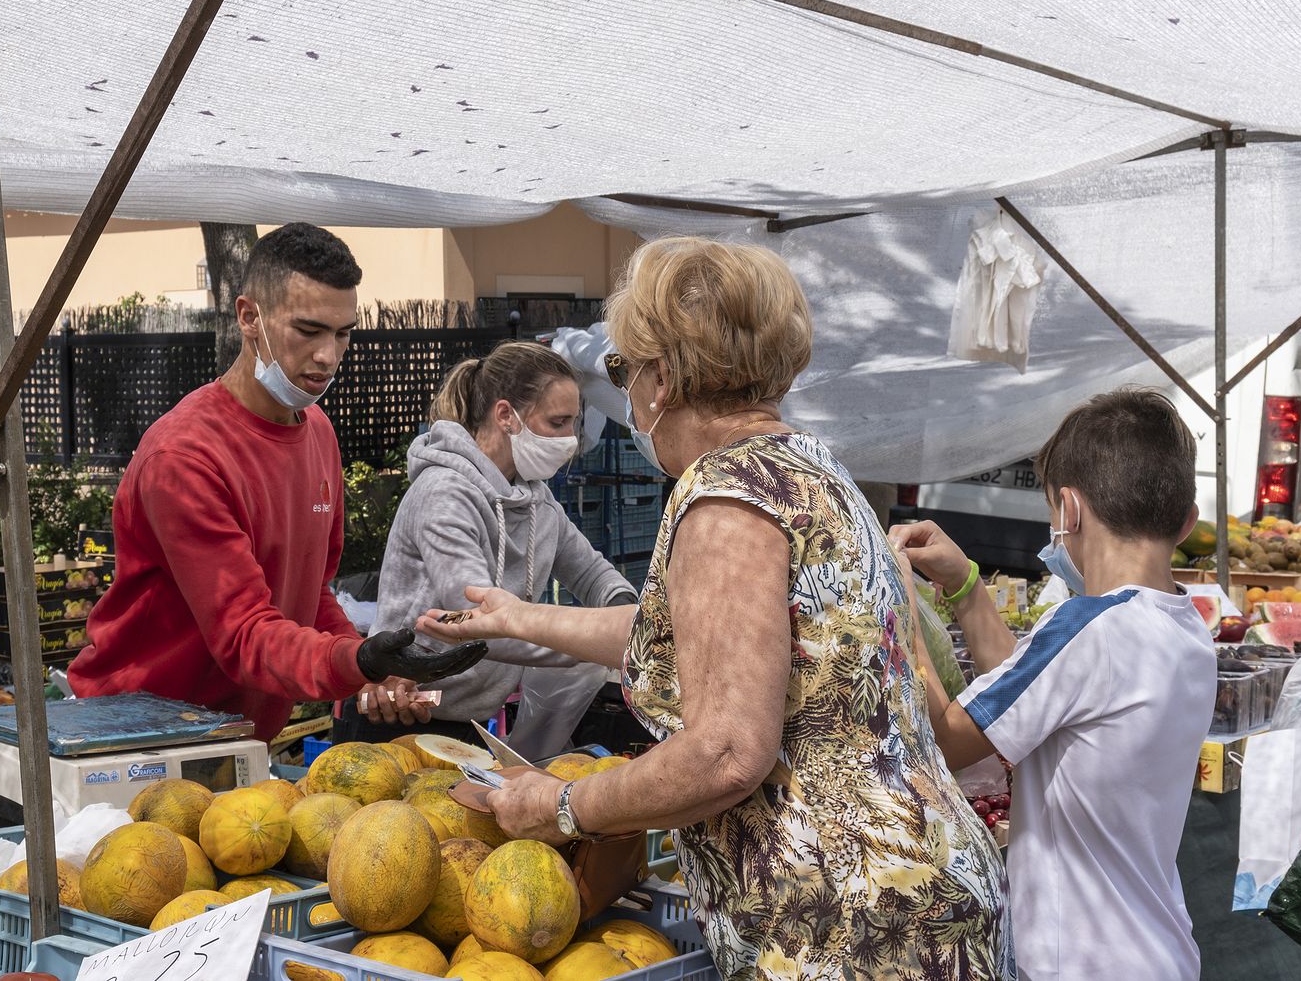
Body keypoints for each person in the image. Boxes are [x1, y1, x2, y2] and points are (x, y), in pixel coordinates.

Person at [421, 237, 1012, 979]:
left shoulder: (726, 499)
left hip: (847, 927)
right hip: (920, 898)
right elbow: (701, 639)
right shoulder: (813, 470)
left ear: (662, 378)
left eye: (622, 371)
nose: (626, 396)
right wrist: (518, 616)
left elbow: (729, 750)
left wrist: (566, 805)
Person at [69, 223, 483, 742]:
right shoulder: (185, 456)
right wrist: (355, 661)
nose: (328, 355)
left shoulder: (319, 432)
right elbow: (243, 633)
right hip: (135, 737)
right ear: (249, 317)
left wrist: (374, 666)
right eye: (308, 331)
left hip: (234, 738)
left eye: (343, 332)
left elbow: (310, 599)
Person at [891, 387, 1216, 981]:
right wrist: (966, 587)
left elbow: (946, 738)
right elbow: (1033, 700)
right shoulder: (1187, 629)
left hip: (1081, 964)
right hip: (1158, 951)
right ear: (1187, 521)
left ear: (1068, 510)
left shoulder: (1088, 628)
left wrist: (900, 605)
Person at [333, 341, 637, 749]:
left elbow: (591, 572)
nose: (571, 441)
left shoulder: (536, 498)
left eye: (574, 424)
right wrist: (599, 643)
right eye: (558, 422)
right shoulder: (445, 493)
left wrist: (628, 619)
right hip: (399, 716)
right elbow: (477, 620)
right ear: (506, 416)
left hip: (467, 721)